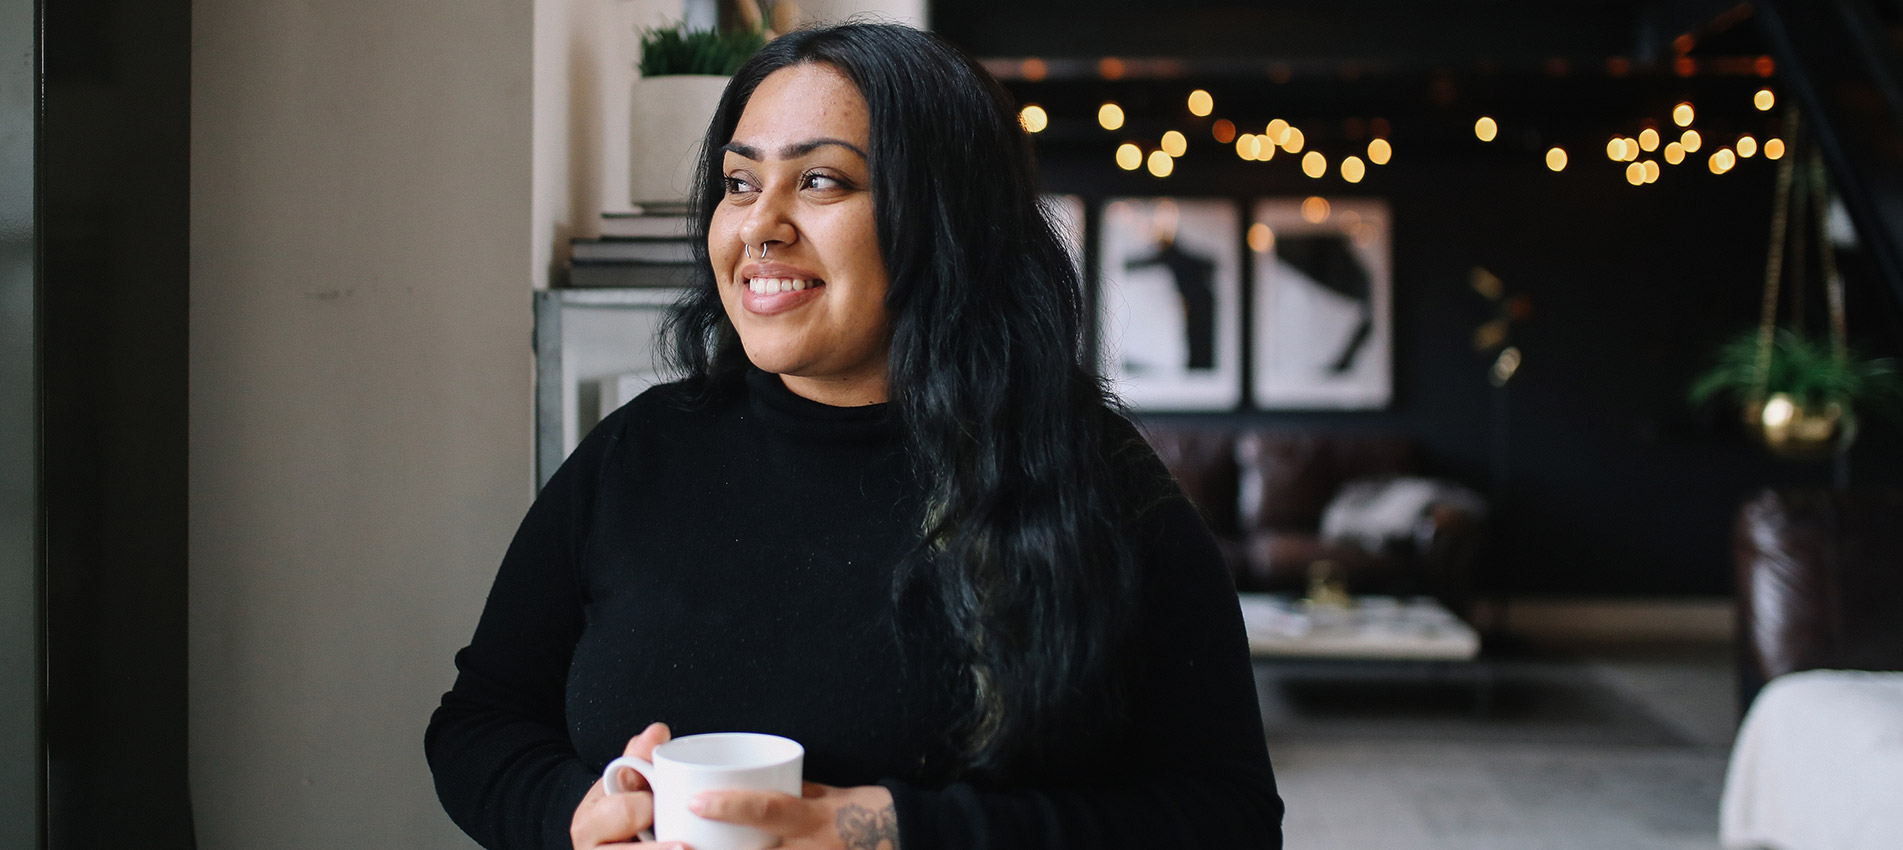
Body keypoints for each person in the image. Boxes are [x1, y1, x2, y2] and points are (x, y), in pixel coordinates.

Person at [425, 22, 1283, 850]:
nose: (759, 225)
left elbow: (1228, 818)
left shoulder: (1100, 485)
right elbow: (480, 724)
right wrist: (572, 817)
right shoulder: (633, 455)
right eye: (737, 182)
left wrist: (884, 830)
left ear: (945, 218)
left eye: (822, 182)